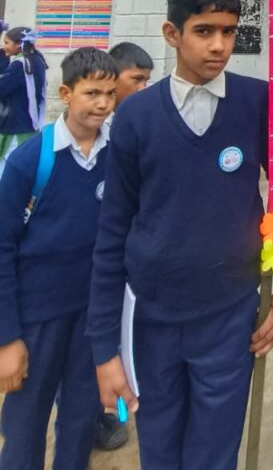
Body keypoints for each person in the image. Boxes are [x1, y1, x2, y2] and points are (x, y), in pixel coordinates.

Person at [87, 0, 273, 470]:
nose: (219, 45)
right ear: (172, 33)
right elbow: (113, 230)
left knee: (214, 452)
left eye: (228, 31)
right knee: (160, 448)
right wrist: (104, 350)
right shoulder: (136, 116)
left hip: (231, 315)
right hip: (152, 318)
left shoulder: (258, 102)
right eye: (204, 31)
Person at [0, 47, 118, 469]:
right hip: (38, 319)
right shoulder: (30, 160)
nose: (103, 103)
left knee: (81, 419)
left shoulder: (117, 156)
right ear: (66, 94)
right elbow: (2, 249)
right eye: (92, 93)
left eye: (109, 93)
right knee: (25, 423)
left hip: (92, 318)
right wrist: (8, 339)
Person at [90, 40, 153, 453]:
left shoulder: (136, 126)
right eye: (137, 80)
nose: (143, 89)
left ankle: (113, 411)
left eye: (148, 81)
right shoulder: (94, 130)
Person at [0, 26, 48, 179]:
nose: (3, 46)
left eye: (7, 43)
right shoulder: (36, 60)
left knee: (9, 168)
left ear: (18, 44)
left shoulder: (19, 65)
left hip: (17, 124)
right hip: (29, 122)